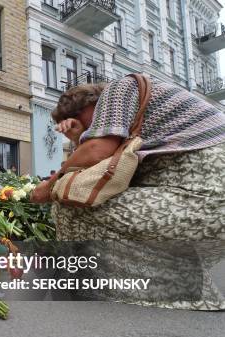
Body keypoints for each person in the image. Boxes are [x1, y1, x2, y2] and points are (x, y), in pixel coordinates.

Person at [29, 76, 225, 310]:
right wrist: (79, 138)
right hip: (203, 202)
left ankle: (101, 288)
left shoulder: (120, 88)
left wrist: (50, 184)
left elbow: (97, 153)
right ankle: (188, 290)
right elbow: (103, 175)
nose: (92, 129)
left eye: (77, 119)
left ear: (94, 103)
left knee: (70, 205)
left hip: (206, 198)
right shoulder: (143, 117)